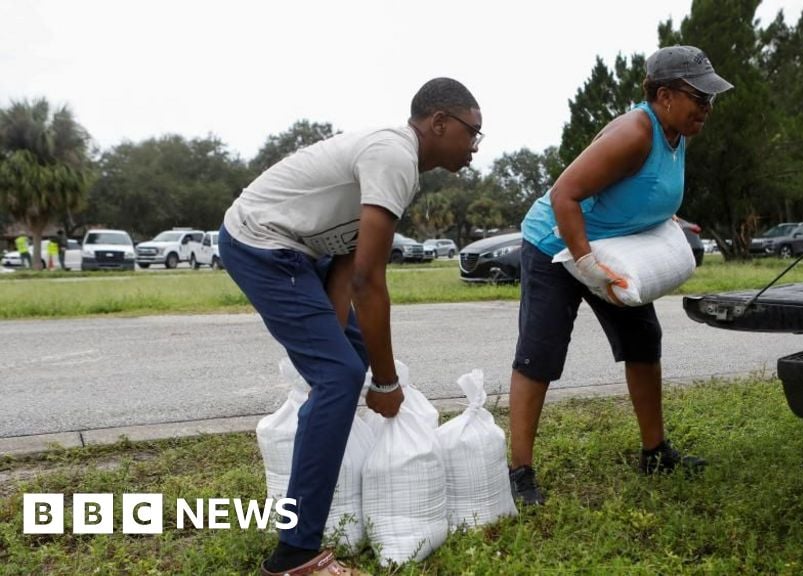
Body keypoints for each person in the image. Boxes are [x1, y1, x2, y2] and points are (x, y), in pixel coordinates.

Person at [219, 77, 482, 576]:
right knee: (340, 376)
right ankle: (295, 555)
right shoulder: (393, 155)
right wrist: (385, 383)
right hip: (261, 243)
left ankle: (324, 440)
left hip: (301, 252)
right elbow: (368, 281)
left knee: (344, 361)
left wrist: (342, 348)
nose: (473, 146)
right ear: (439, 122)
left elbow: (344, 265)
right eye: (472, 132)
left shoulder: (399, 165)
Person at [507, 46, 733, 505]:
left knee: (643, 341)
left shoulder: (678, 135)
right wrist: (586, 266)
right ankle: (519, 471)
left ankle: (655, 452)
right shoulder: (635, 132)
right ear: (664, 95)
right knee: (541, 355)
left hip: (612, 249)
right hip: (555, 246)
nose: (706, 109)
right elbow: (564, 194)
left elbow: (638, 192)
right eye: (699, 98)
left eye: (711, 99)